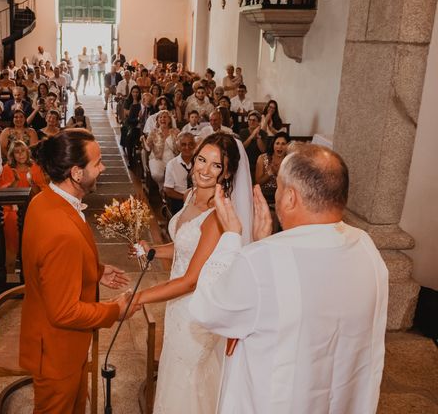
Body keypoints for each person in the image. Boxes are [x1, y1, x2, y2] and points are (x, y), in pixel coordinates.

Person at [190, 144, 388, 414]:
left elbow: (208, 308)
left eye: (280, 188)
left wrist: (231, 238)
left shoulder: (260, 261)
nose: (278, 194)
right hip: (341, 399)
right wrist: (264, 245)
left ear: (291, 198)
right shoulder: (366, 247)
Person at [131, 132, 253, 414]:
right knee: (174, 367)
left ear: (228, 172)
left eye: (215, 165)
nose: (204, 170)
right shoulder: (190, 196)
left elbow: (191, 281)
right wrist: (151, 250)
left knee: (188, 379)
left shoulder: (217, 215)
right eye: (201, 159)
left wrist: (140, 296)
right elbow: (185, 247)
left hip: (195, 308)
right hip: (177, 305)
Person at [20, 129, 135, 414]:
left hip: (57, 343)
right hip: (58, 353)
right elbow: (65, 312)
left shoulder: (44, 199)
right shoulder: (61, 230)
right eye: (97, 163)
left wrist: (94, 272)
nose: (103, 168)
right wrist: (114, 311)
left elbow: (50, 266)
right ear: (76, 173)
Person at [0, 140, 48, 268]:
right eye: (16, 152)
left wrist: (32, 184)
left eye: (22, 151)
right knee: (13, 219)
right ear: (12, 155)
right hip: (12, 206)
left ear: (27, 152)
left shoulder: (35, 167)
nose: (20, 155)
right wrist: (15, 181)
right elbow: (3, 193)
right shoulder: (8, 168)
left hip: (34, 204)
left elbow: (43, 192)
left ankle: (35, 257)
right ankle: (15, 255)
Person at [142, 110, 179, 191]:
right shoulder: (154, 132)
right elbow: (148, 148)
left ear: (169, 120)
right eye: (160, 117)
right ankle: (162, 188)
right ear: (158, 120)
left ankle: (169, 192)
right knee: (157, 174)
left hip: (172, 158)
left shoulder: (175, 132)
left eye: (165, 117)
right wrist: (143, 141)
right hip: (157, 158)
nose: (163, 119)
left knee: (176, 175)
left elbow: (180, 147)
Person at [163, 132, 196, 214]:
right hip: (180, 200)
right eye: (183, 145)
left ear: (194, 145)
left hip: (198, 200)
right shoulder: (171, 165)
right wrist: (186, 199)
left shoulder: (200, 162)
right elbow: (168, 190)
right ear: (178, 147)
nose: (187, 147)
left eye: (190, 144)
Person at [256, 132, 290, 203]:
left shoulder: (289, 160)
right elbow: (258, 182)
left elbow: (290, 185)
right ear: (273, 145)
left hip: (282, 195)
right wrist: (270, 173)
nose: (280, 147)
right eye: (277, 143)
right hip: (264, 194)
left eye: (283, 144)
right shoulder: (262, 158)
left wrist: (277, 174)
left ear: (288, 146)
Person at [239, 110, 267, 182]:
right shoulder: (243, 132)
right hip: (245, 161)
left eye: (254, 120)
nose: (251, 122)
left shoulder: (263, 133)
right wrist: (251, 136)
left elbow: (263, 150)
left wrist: (257, 136)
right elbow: (242, 147)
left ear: (258, 122)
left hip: (258, 162)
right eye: (250, 120)